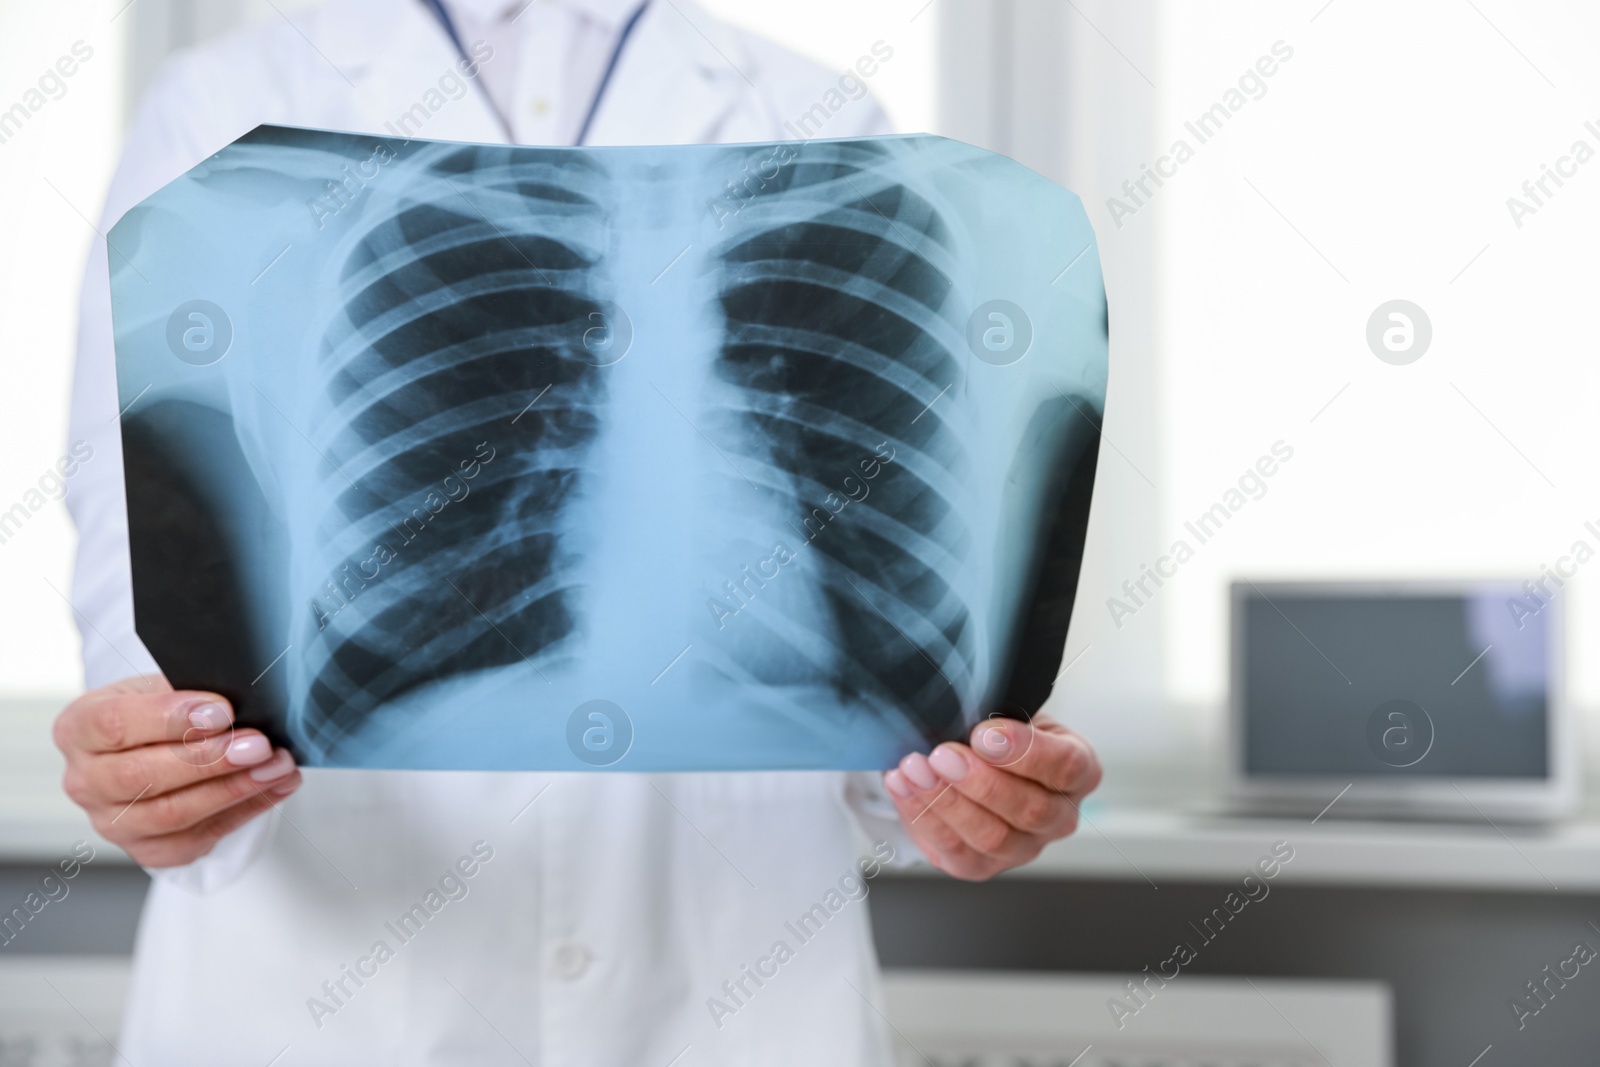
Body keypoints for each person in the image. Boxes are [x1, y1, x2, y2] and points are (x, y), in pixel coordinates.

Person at [55, 0, 1103, 1062]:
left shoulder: (816, 110)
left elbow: (891, 632)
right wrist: (155, 763)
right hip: (326, 1000)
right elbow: (135, 571)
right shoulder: (227, 105)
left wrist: (958, 787)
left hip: (729, 999)